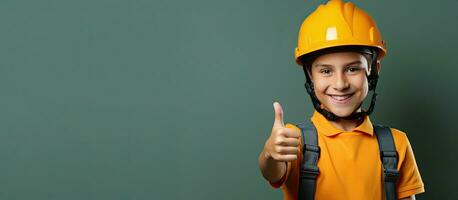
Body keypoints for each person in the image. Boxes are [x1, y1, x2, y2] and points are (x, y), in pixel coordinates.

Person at [258, 0, 425, 199]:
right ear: (310, 75)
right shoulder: (294, 140)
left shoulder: (395, 144)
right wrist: (270, 154)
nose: (340, 84)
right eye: (326, 71)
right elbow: (272, 171)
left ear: (373, 70)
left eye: (352, 69)